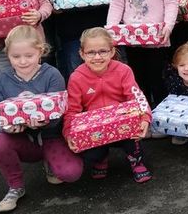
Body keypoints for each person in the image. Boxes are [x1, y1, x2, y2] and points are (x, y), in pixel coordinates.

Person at [0, 26, 83, 213]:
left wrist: (47, 122)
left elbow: (61, 111)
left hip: (50, 136)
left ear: (40, 51)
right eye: (16, 57)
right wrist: (7, 128)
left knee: (71, 174)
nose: (23, 61)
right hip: (21, 139)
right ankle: (15, 185)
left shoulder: (52, 75)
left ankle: (50, 161)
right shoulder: (1, 80)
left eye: (29, 55)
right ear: (8, 55)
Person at [64, 27, 152, 183]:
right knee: (92, 155)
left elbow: (137, 97)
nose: (97, 57)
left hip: (124, 123)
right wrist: (69, 132)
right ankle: (100, 159)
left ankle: (136, 161)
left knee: (135, 137)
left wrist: (145, 118)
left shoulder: (123, 70)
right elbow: (72, 110)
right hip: (95, 128)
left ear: (112, 52)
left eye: (103, 51)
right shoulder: (76, 77)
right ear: (82, 54)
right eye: (91, 52)